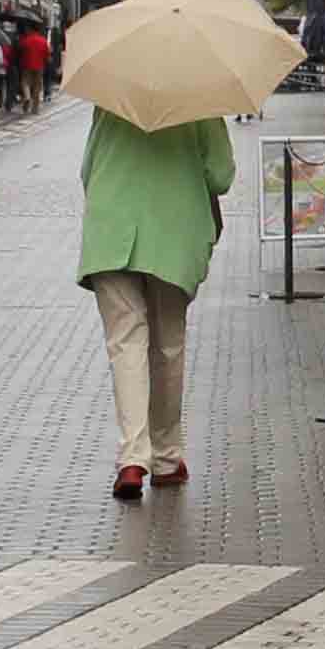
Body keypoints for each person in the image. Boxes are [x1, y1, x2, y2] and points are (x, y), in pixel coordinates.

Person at [77, 96, 242, 499]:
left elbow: (87, 170)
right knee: (167, 345)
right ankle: (167, 458)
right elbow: (220, 176)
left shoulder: (113, 96)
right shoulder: (199, 97)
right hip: (172, 231)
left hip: (111, 228)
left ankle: (133, 458)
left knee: (125, 343)